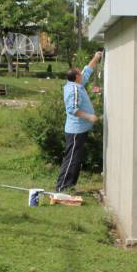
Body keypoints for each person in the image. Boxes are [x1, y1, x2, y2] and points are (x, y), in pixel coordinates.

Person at [55, 51, 103, 193]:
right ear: (76, 77)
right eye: (80, 74)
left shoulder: (75, 83)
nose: (82, 75)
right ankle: (62, 187)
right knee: (71, 159)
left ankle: (69, 186)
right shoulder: (74, 90)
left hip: (79, 131)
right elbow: (72, 109)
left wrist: (96, 58)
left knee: (76, 159)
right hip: (75, 131)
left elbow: (86, 71)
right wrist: (90, 117)